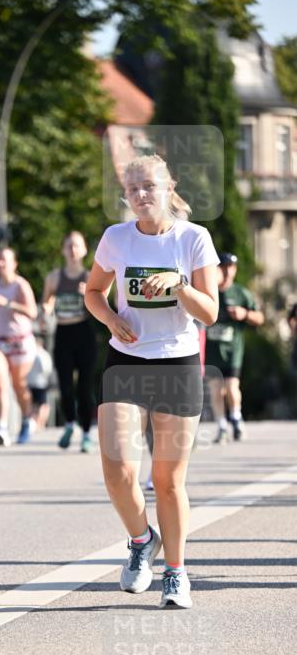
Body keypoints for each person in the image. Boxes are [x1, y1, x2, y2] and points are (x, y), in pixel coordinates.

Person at [85, 153, 219, 609]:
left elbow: (211, 312)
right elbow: (92, 292)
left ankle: (177, 574)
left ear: (168, 188)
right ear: (126, 195)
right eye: (133, 188)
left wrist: (179, 286)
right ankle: (142, 539)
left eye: (150, 187)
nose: (141, 195)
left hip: (178, 363)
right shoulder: (115, 239)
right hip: (125, 360)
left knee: (167, 480)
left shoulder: (194, 238)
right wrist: (108, 319)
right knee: (118, 469)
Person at [40, 231, 98, 452]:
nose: (73, 250)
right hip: (63, 334)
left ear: (84, 250)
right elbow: (45, 304)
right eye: (69, 246)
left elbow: (103, 311)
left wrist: (90, 297)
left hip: (84, 333)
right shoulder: (54, 277)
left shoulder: (91, 277)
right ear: (63, 250)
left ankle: (85, 433)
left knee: (84, 387)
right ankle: (69, 424)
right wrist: (45, 311)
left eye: (77, 246)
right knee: (65, 386)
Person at [0, 247, 38, 445]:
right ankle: (1, 427)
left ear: (14, 264)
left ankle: (27, 419)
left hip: (20, 341)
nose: (0, 263)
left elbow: (32, 312)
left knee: (18, 384)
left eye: (4, 260)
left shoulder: (21, 285)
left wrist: (9, 304)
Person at [206, 252, 264, 443]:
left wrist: (244, 313)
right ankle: (222, 425)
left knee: (231, 387)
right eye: (223, 267)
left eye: (230, 267)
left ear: (235, 270)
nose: (227, 271)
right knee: (216, 389)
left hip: (232, 351)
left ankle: (236, 418)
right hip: (212, 351)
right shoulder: (208, 290)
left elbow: (259, 318)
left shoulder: (241, 293)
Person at [26, 335, 53, 430]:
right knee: (42, 404)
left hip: (36, 382)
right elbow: (47, 369)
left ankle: (38, 423)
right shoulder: (43, 354)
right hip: (40, 382)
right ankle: (39, 424)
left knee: (38, 405)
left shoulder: (35, 354)